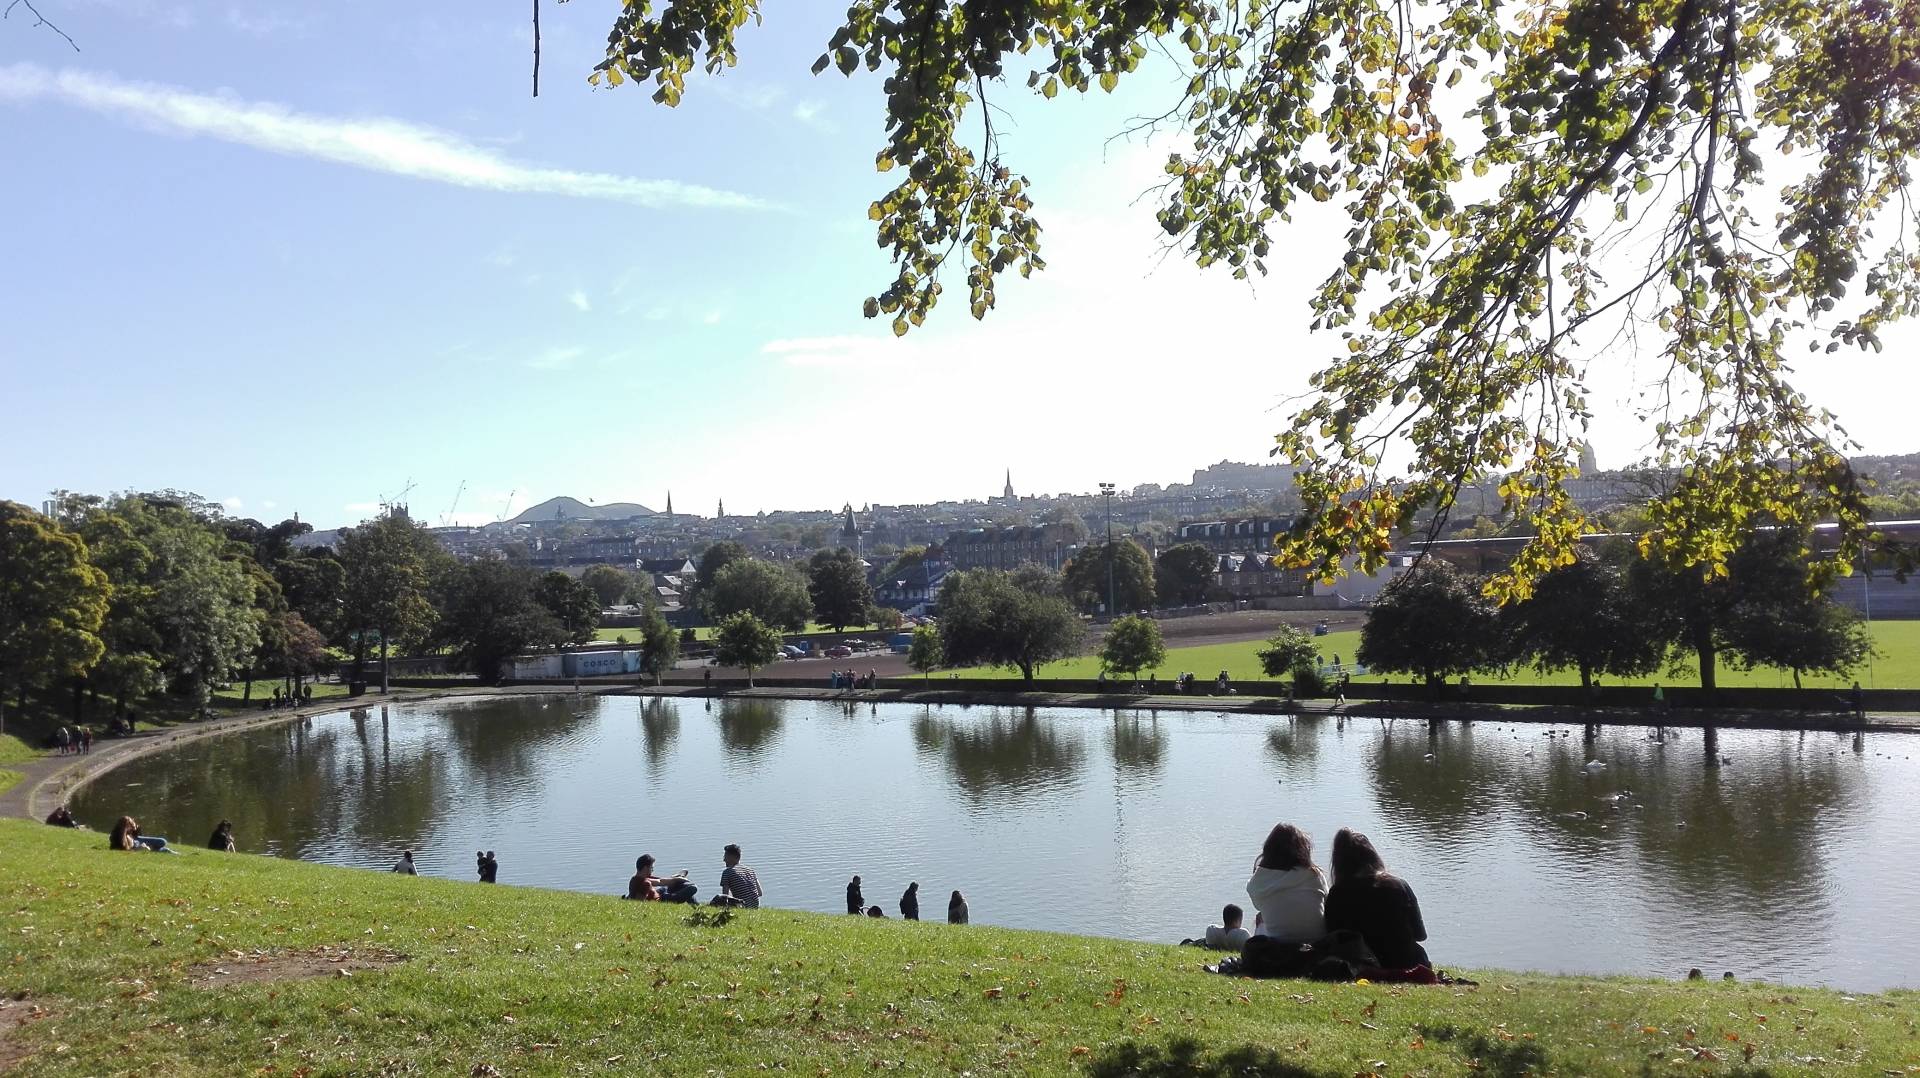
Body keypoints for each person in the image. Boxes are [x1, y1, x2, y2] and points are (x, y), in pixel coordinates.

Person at [1323, 829, 1429, 969]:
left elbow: (1333, 936)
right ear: (1372, 855)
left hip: (1360, 966)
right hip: (1406, 964)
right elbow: (1420, 935)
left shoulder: (1337, 893)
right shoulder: (1399, 885)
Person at [1245, 822, 1327, 943]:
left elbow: (1258, 905)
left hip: (1279, 948)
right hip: (1317, 945)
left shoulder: (1257, 882)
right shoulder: (1315, 875)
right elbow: (1326, 901)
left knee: (1261, 918)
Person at [625, 855, 698, 903]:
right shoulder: (645, 884)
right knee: (692, 888)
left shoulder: (635, 878)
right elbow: (638, 902)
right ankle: (676, 878)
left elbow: (659, 881)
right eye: (651, 868)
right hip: (663, 900)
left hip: (660, 893)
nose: (652, 870)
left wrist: (676, 879)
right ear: (645, 868)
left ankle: (676, 878)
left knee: (676, 883)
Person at [717, 843, 763, 908]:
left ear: (731, 857)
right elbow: (760, 893)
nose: (724, 860)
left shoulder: (727, 872)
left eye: (725, 857)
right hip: (755, 906)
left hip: (742, 906)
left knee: (717, 898)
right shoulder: (750, 870)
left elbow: (725, 897)